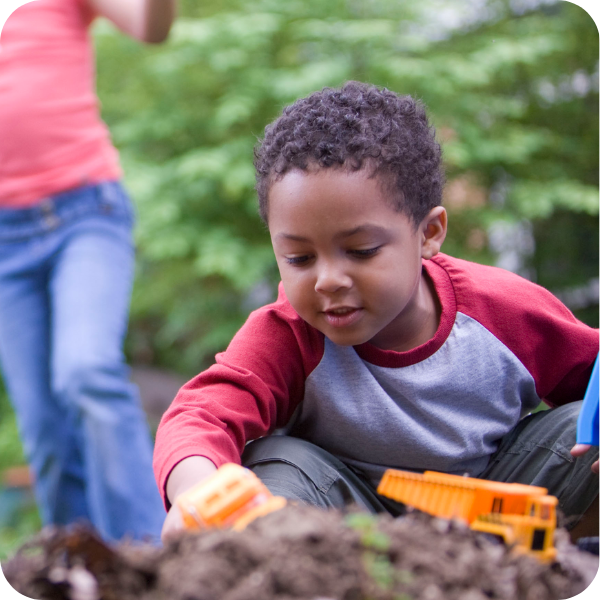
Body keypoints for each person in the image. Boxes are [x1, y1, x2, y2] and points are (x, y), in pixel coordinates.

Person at [155, 81, 600, 541]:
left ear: (428, 233)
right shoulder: (289, 333)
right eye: (300, 259)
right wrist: (197, 489)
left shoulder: (504, 310)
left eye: (361, 250)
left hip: (498, 517)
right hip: (344, 533)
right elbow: (201, 414)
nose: (327, 279)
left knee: (580, 429)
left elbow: (593, 369)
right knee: (274, 462)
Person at [0, 0, 176, 542]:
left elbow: (151, 26)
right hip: (4, 244)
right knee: (44, 426)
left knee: (85, 370)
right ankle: (75, 566)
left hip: (84, 213)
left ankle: (149, 553)